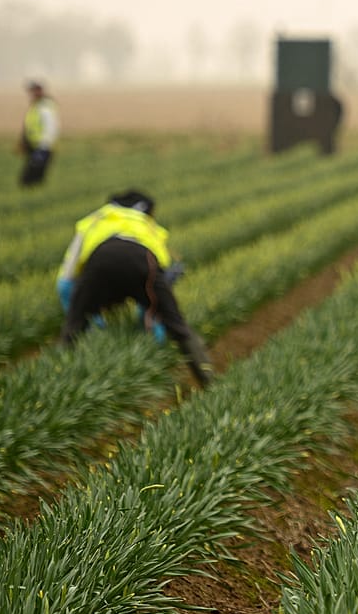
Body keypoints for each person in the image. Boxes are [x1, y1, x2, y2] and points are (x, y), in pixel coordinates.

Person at [57, 190, 215, 386]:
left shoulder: (96, 219)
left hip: (100, 260)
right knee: (176, 324)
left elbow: (69, 272)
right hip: (141, 260)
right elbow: (162, 268)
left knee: (75, 325)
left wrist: (79, 301)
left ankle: (61, 379)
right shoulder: (145, 223)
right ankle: (207, 380)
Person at [20, 79, 60, 186]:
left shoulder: (44, 107)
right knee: (30, 179)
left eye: (34, 90)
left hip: (42, 147)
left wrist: (44, 146)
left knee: (32, 178)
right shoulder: (36, 106)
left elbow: (51, 127)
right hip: (34, 146)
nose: (31, 94)